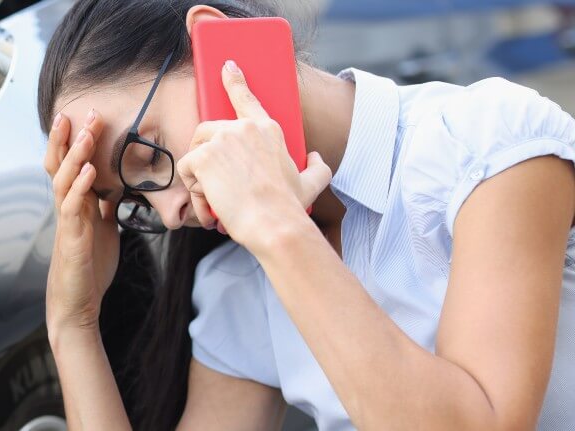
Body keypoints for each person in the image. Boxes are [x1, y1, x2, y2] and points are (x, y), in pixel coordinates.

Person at [38, 1, 575, 430]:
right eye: (134, 203)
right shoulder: (241, 281)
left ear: (215, 44)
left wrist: (279, 227)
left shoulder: (485, 143)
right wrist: (73, 325)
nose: (172, 213)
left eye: (148, 156)